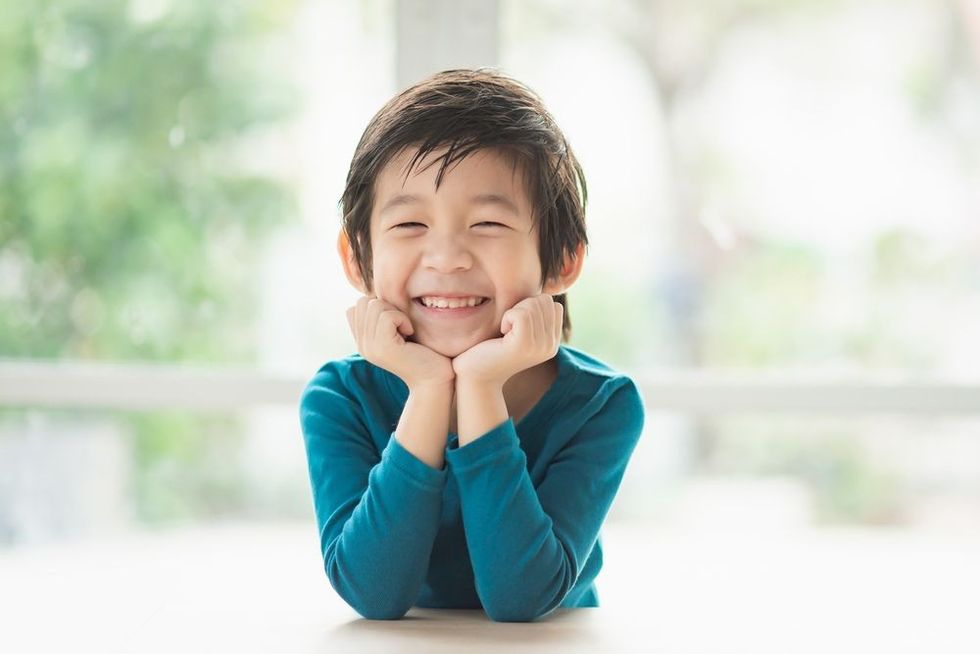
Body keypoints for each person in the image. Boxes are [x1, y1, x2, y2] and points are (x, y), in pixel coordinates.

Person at [299, 68, 645, 623]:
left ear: (562, 260)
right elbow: (372, 593)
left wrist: (480, 386)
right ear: (358, 259)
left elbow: (522, 598)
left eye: (486, 223)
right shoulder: (337, 397)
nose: (446, 257)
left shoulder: (602, 406)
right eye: (410, 223)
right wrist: (430, 388)